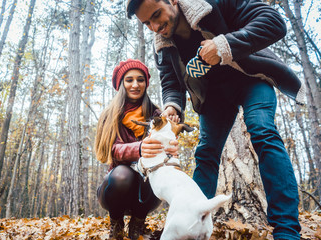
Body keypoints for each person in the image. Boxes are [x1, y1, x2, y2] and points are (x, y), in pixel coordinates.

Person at [126, 0, 304, 239]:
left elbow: (273, 22)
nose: (155, 26)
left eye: (157, 15)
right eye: (147, 22)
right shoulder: (164, 45)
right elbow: (171, 81)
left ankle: (287, 230)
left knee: (262, 131)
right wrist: (172, 105)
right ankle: (193, 224)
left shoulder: (212, 4)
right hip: (214, 97)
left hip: (251, 80)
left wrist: (225, 44)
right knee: (206, 153)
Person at [94, 59, 177, 239]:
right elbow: (111, 150)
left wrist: (171, 144)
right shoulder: (111, 114)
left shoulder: (156, 113)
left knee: (152, 176)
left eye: (140, 80)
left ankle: (137, 224)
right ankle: (115, 223)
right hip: (116, 187)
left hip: (146, 188)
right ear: (121, 84)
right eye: (129, 80)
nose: (135, 84)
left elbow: (165, 148)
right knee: (122, 175)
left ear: (146, 83)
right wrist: (139, 148)